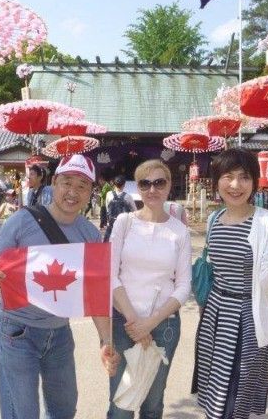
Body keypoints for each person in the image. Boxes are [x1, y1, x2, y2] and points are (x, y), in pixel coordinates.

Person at [0, 154, 119, 419]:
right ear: (54, 183)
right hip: (17, 332)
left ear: (90, 193)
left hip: (59, 334)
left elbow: (95, 294)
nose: (73, 192)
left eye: (82, 186)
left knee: (64, 409)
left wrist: (106, 340)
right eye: (67, 182)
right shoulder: (21, 221)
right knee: (22, 413)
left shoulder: (90, 235)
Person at [192, 149, 268, 419]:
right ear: (216, 182)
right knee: (217, 383)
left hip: (248, 313)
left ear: (254, 182)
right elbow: (213, 267)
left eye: (244, 177)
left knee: (240, 384)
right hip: (215, 311)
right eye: (228, 177)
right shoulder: (214, 219)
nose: (235, 185)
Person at [107, 160, 191, 418]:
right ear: (138, 188)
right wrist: (135, 323)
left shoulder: (180, 231)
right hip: (124, 321)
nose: (152, 189)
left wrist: (151, 323)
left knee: (153, 402)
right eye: (145, 183)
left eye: (159, 182)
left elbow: (183, 285)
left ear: (169, 187)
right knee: (121, 402)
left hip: (164, 323)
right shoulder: (124, 222)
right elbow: (110, 274)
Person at [103, 175, 136, 242]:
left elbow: (107, 208)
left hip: (112, 223)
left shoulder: (109, 194)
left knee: (107, 244)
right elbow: (135, 211)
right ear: (124, 185)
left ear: (114, 184)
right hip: (124, 225)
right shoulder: (128, 196)